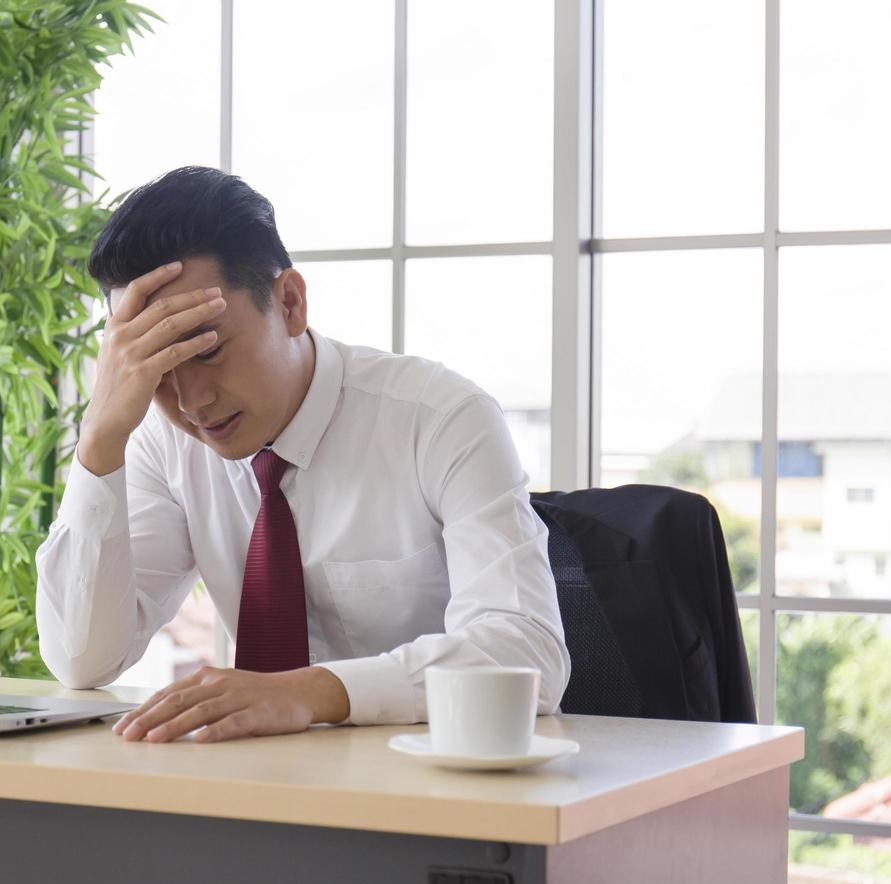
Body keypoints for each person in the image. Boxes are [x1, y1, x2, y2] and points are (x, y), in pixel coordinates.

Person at [35, 166, 569, 743]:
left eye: (208, 352)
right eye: (158, 368)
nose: (193, 401)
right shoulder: (161, 444)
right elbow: (82, 660)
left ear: (289, 302)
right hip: (261, 791)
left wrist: (308, 693)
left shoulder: (440, 419)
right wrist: (98, 442)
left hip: (434, 787)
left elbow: (526, 652)